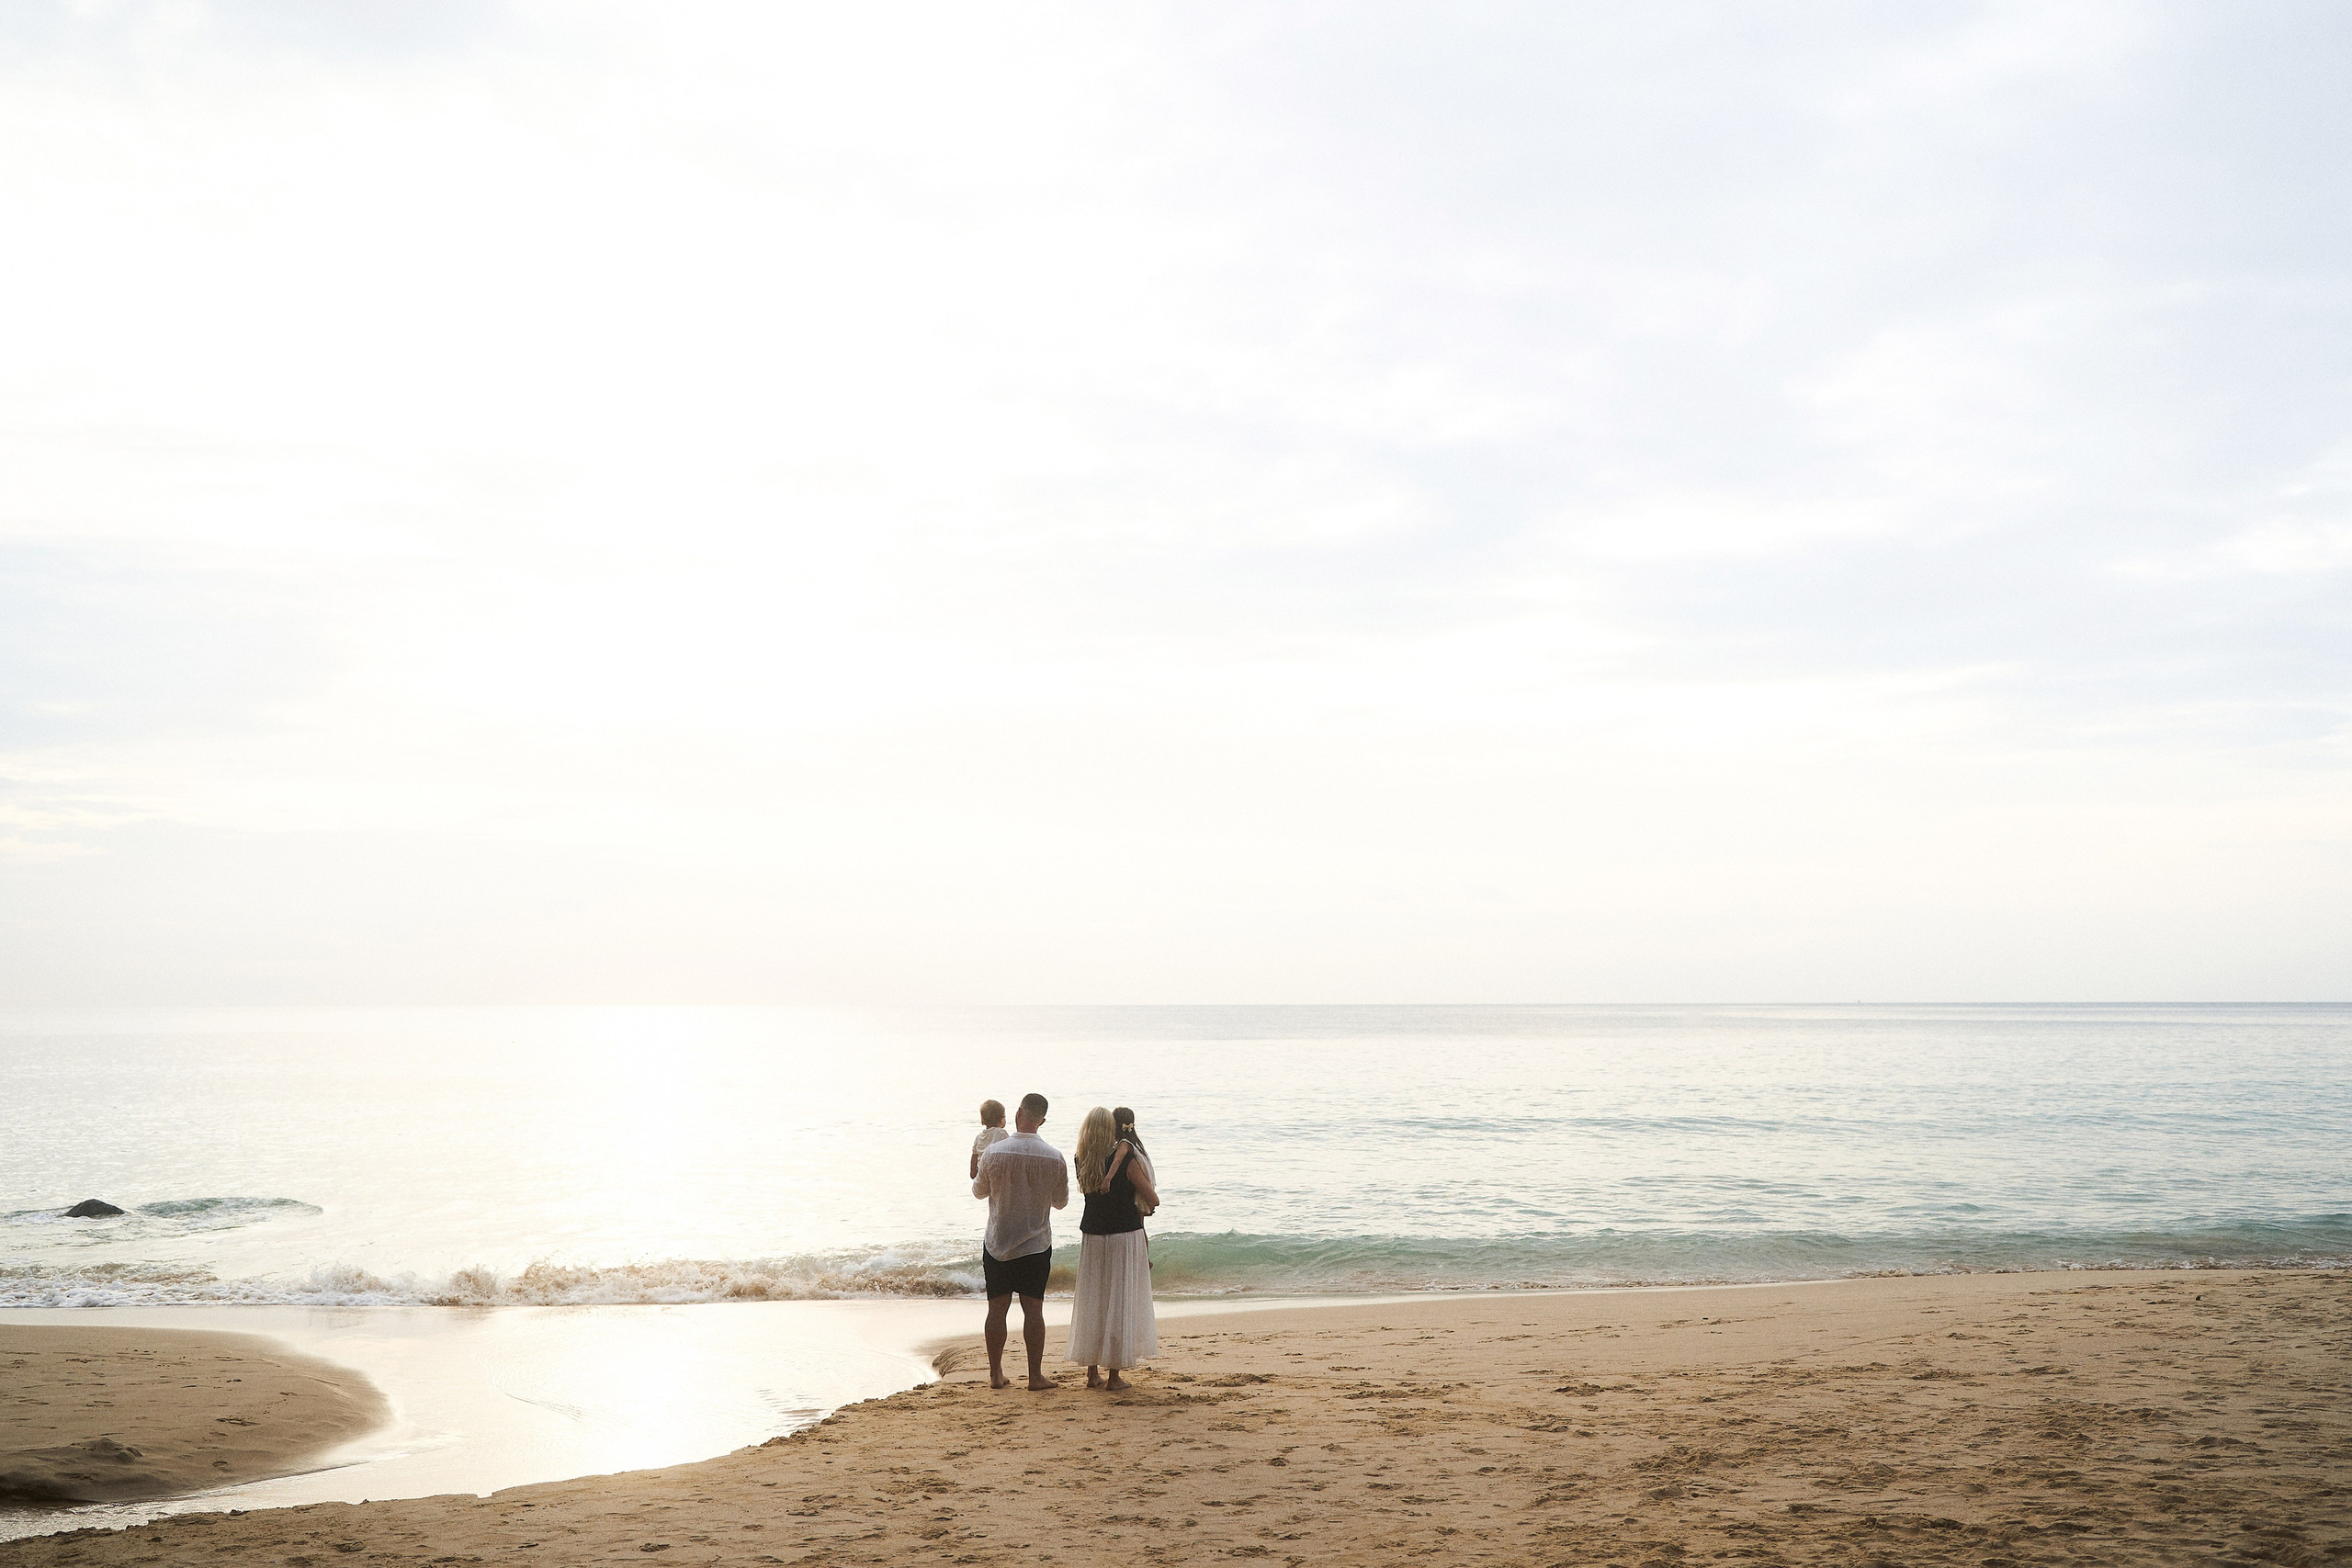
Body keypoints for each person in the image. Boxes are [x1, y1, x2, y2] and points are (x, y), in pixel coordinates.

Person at [971, 1091, 1068, 1391]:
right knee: (1034, 1310)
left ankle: (996, 1374)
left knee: (996, 1310)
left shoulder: (993, 1153)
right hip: (1036, 1244)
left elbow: (978, 1192)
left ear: (1017, 1114)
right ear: (1042, 1121)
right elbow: (1061, 1202)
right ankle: (1035, 1376)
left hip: (998, 1242)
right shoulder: (1054, 1157)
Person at [1068, 1104, 1159, 1391]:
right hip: (1124, 1235)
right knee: (1119, 1301)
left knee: (1094, 1301)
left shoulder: (1081, 1159)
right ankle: (1114, 1377)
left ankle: (1092, 1373)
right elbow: (1152, 1199)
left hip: (1093, 1236)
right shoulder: (1126, 1159)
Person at [969, 1099, 1009, 1179]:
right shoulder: (1001, 1133)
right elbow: (1009, 1152)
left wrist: (973, 1172)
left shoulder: (979, 1137)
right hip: (996, 1173)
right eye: (1004, 1117)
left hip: (982, 1174)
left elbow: (974, 1156)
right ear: (1001, 1120)